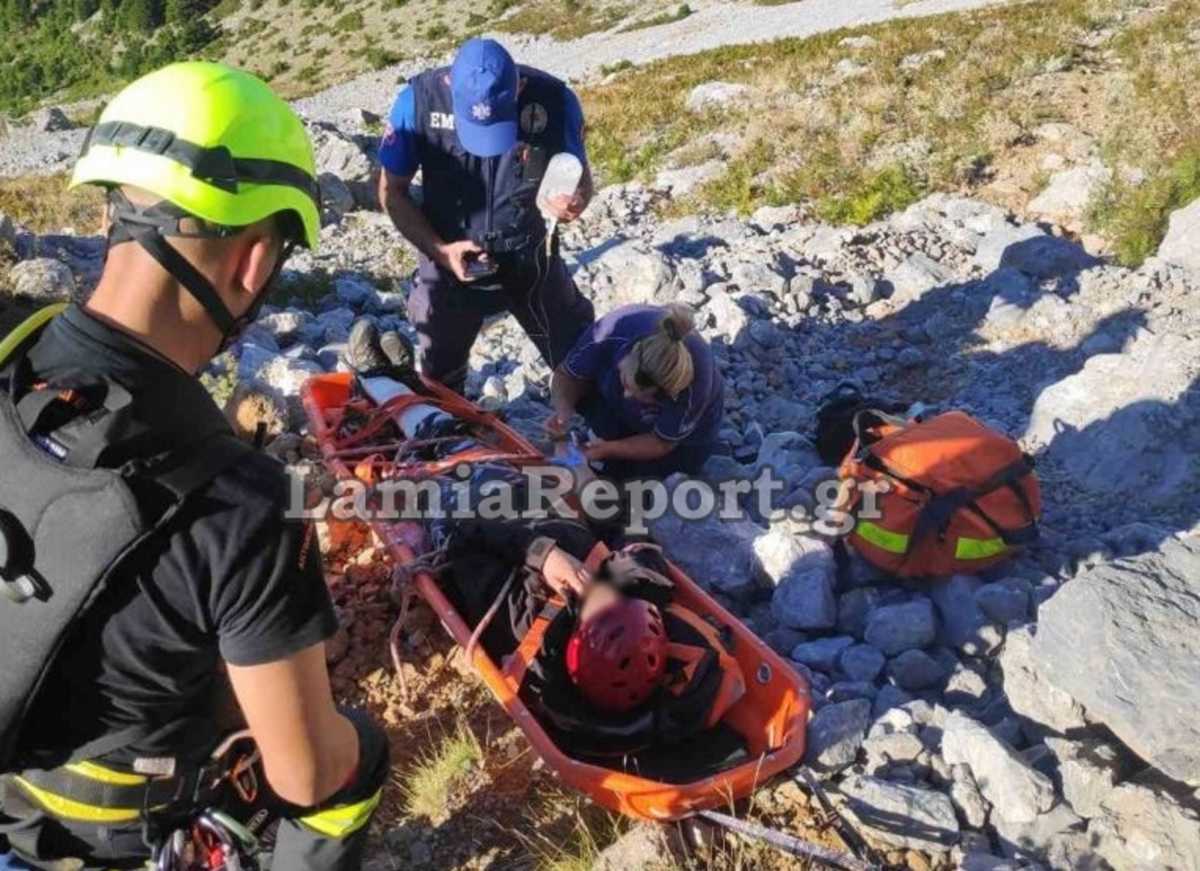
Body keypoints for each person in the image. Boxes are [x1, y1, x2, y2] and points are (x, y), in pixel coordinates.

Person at [0, 63, 386, 870]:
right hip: (103, 835)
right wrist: (353, 736)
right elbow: (307, 772)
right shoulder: (243, 502)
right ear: (253, 263)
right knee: (349, 766)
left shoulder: (13, 350)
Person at [377, 37, 597, 396]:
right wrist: (439, 251)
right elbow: (391, 191)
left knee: (583, 365)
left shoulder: (555, 101)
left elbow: (580, 174)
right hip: (447, 259)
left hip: (530, 256)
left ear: (519, 88)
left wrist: (576, 200)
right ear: (449, 83)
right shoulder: (417, 102)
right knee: (439, 386)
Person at [546, 304, 725, 480]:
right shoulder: (611, 332)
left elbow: (662, 443)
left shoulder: (695, 385)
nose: (627, 396)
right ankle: (603, 445)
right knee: (601, 458)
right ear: (628, 355)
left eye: (643, 397)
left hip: (688, 439)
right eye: (625, 382)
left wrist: (608, 449)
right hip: (622, 399)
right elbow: (567, 374)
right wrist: (563, 412)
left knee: (645, 485)